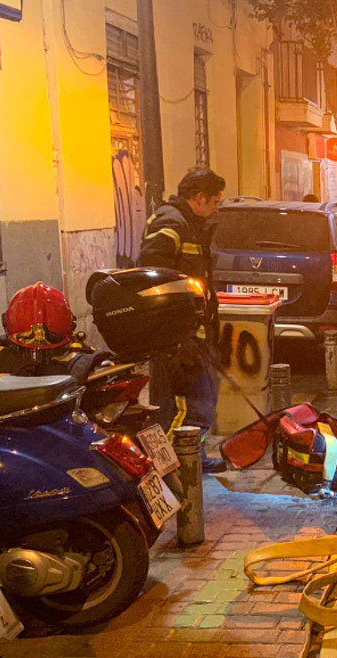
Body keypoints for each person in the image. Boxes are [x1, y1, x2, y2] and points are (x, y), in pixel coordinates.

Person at [138, 167, 228, 473]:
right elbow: (153, 279)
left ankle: (191, 458)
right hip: (177, 337)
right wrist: (178, 333)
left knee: (198, 399)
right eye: (215, 201)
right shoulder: (170, 224)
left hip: (191, 331)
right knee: (187, 403)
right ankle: (174, 466)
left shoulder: (188, 224)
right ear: (200, 198)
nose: (217, 208)